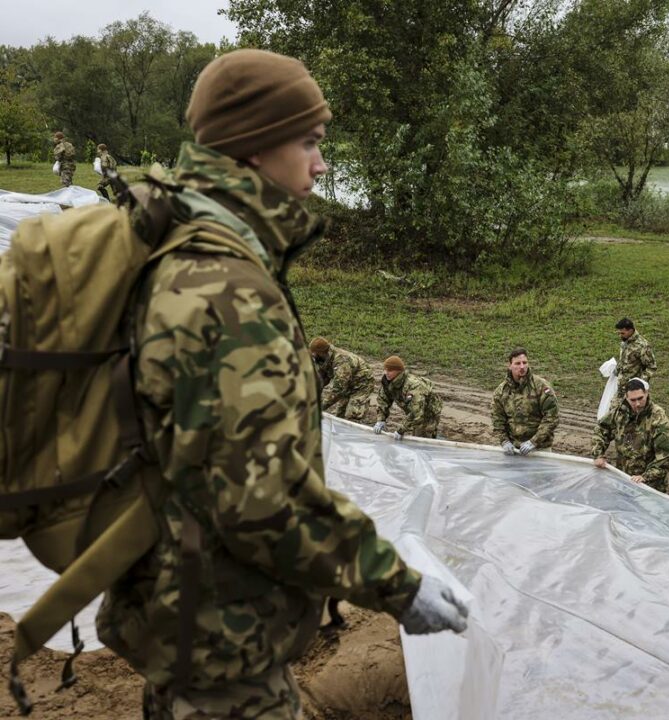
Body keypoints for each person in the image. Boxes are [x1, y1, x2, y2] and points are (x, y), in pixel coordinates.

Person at [96, 49, 468, 720]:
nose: (320, 164)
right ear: (256, 147)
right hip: (223, 649)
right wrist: (396, 586)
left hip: (180, 619)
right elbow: (261, 498)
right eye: (310, 142)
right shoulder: (227, 290)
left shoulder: (178, 250)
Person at [591, 378, 669, 493]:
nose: (637, 403)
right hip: (623, 480)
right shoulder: (619, 413)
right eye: (633, 400)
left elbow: (668, 454)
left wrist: (646, 477)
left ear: (646, 393)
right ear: (626, 397)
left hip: (650, 486)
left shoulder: (658, 418)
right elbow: (601, 429)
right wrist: (598, 454)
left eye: (640, 398)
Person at [491, 347, 559, 456]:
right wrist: (504, 441)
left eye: (525, 362)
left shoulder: (541, 387)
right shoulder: (501, 391)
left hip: (540, 450)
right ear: (510, 366)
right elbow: (497, 420)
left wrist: (534, 442)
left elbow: (552, 418)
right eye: (517, 363)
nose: (522, 367)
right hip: (513, 449)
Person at [374, 355, 443, 439]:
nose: (386, 373)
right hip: (413, 408)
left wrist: (401, 430)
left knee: (421, 439)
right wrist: (381, 420)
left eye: (390, 370)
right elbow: (383, 400)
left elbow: (416, 413)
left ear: (399, 371)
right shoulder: (387, 382)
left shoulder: (414, 386)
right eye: (385, 369)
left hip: (427, 411)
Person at [309, 336, 376, 422]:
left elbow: (338, 390)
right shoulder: (322, 359)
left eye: (313, 352)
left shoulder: (342, 360)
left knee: (352, 415)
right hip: (347, 384)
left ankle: (361, 404)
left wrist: (321, 407)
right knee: (340, 416)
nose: (312, 354)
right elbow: (322, 378)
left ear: (321, 352)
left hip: (362, 384)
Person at [614, 318, 657, 398]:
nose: (620, 336)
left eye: (622, 333)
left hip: (634, 392)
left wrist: (640, 383)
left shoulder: (642, 346)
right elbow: (625, 361)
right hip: (621, 389)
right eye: (619, 333)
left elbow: (651, 367)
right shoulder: (625, 342)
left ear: (630, 330)